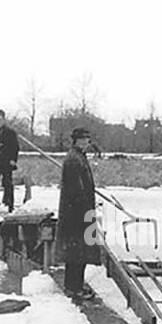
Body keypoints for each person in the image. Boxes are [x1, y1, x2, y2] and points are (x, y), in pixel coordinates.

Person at [57, 127, 99, 301]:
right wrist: (85, 211)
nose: (85, 142)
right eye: (81, 139)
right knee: (76, 252)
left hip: (80, 211)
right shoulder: (74, 160)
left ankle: (76, 286)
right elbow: (76, 191)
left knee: (79, 252)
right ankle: (73, 288)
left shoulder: (79, 157)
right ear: (75, 141)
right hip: (76, 213)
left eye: (87, 139)